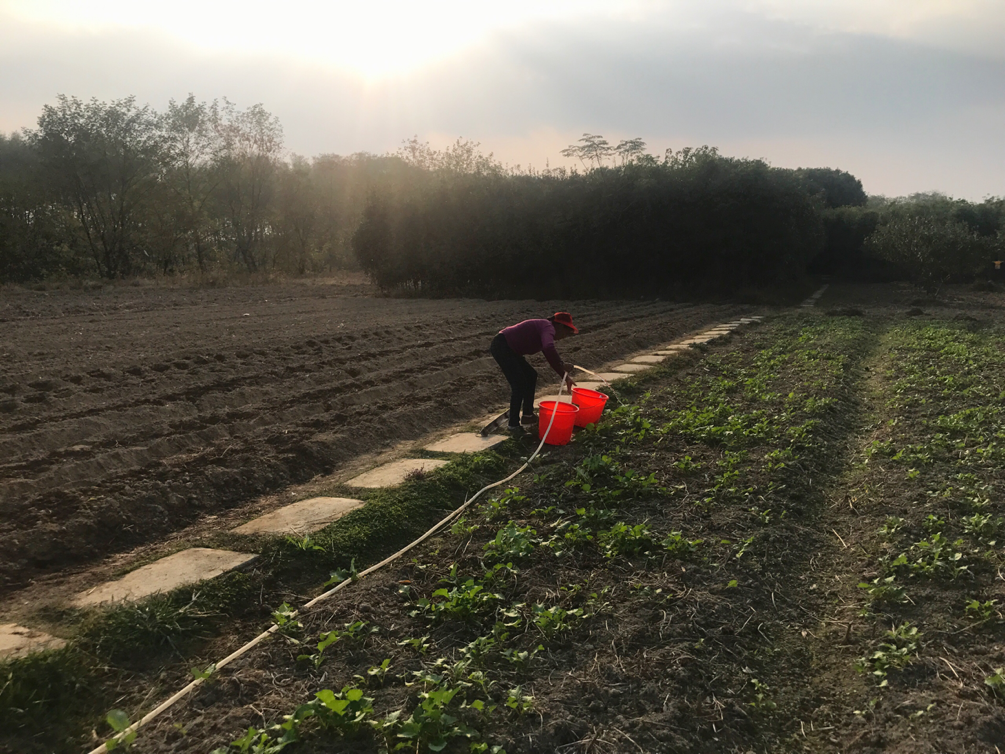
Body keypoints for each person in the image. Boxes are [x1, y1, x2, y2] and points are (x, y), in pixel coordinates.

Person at [490, 312, 578, 434]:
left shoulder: (544, 329)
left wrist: (566, 377)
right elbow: (549, 347)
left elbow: (550, 357)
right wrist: (561, 364)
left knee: (531, 375)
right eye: (566, 333)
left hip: (511, 350)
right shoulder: (548, 327)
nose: (564, 337)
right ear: (560, 326)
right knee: (519, 384)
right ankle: (513, 425)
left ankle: (527, 415)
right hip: (502, 346)